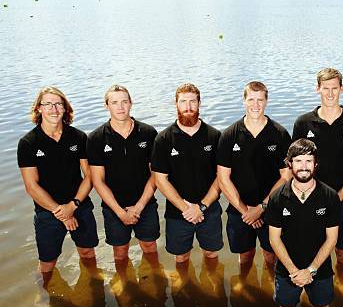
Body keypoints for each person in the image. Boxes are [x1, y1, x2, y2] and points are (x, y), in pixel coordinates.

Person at [18, 87, 98, 284]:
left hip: (79, 206)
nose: (54, 109)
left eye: (58, 104)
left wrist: (73, 205)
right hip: (48, 212)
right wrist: (60, 212)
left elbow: (89, 176)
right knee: (47, 262)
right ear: (39, 109)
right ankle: (42, 292)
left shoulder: (78, 137)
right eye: (48, 104)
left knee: (88, 252)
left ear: (65, 108)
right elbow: (31, 186)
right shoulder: (28, 143)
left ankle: (92, 285)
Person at [266, 139, 340, 307]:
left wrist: (311, 270)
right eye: (298, 161)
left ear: (316, 164)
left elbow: (331, 239)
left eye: (309, 161)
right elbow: (274, 239)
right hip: (288, 269)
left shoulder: (330, 196)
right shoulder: (278, 198)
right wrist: (294, 271)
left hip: (320, 267)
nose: (304, 166)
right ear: (289, 164)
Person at [292, 68, 343, 264]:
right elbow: (297, 167)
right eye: (326, 88)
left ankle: (342, 290)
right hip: (310, 200)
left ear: (342, 89)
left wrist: (337, 198)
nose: (330, 93)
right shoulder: (303, 123)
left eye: (335, 88)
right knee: (310, 253)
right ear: (318, 89)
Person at [217, 81, 291, 269]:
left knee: (271, 254)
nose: (255, 105)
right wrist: (246, 211)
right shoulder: (229, 135)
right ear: (244, 101)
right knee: (245, 254)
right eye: (251, 99)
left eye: (260, 100)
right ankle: (244, 284)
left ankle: (270, 286)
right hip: (239, 210)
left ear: (266, 101)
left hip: (272, 208)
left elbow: (286, 176)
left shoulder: (280, 134)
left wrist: (261, 207)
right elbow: (223, 179)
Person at [151, 83, 223, 263]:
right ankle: (183, 291)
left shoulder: (214, 136)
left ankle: (213, 290)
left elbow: (221, 177)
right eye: (183, 102)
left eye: (193, 101)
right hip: (178, 213)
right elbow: (160, 180)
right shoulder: (163, 139)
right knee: (181, 258)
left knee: (211, 254)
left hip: (210, 211)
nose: (188, 107)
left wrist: (202, 207)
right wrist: (186, 208)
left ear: (199, 103)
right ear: (176, 104)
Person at [88, 85, 159, 265]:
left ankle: (155, 282)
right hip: (113, 208)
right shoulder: (96, 138)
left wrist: (139, 206)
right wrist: (120, 212)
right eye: (114, 102)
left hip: (146, 205)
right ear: (107, 106)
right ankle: (125, 289)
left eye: (124, 102)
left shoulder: (149, 133)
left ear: (131, 103)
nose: (120, 107)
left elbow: (155, 175)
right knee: (120, 252)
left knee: (150, 246)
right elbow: (98, 180)